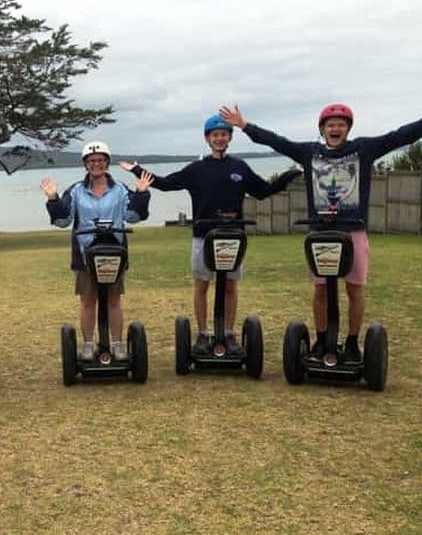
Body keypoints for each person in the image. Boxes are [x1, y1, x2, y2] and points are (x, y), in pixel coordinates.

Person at [220, 103, 422, 362]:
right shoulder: (310, 152)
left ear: (348, 128)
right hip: (321, 235)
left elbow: (401, 136)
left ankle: (351, 342)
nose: (335, 128)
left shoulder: (363, 149)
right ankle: (321, 339)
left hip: (353, 232)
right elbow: (277, 142)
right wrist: (245, 125)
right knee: (321, 290)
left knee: (354, 289)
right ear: (322, 129)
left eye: (341, 124)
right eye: (330, 125)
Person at [119, 115, 300, 355]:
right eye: (215, 135)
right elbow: (166, 183)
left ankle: (228, 333)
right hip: (203, 236)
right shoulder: (197, 169)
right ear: (207, 138)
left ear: (229, 138)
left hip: (233, 237)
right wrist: (137, 170)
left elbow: (263, 191)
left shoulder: (239, 167)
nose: (219, 138)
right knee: (202, 286)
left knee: (230, 287)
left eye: (224, 134)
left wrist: (290, 174)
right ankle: (204, 333)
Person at [41, 140, 153, 361]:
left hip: (114, 253)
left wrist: (141, 194)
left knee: (113, 300)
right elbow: (63, 220)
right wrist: (53, 199)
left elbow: (133, 216)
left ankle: (118, 344)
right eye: (92, 161)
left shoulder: (120, 190)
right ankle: (89, 344)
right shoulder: (75, 191)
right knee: (88, 300)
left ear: (107, 163)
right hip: (86, 255)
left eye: (101, 160)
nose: (96, 164)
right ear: (86, 164)